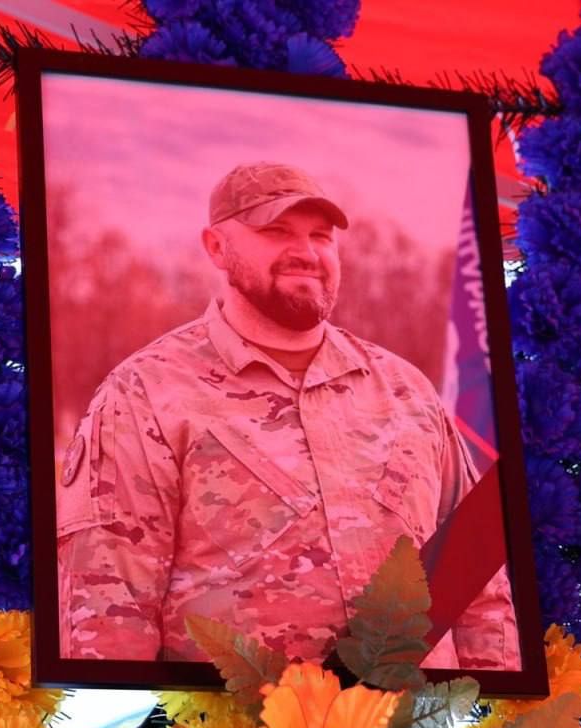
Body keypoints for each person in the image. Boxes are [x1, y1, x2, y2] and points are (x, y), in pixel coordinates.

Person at [56, 161, 518, 667]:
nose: (307, 253)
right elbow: (107, 609)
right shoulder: (146, 393)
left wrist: (497, 707)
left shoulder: (407, 391)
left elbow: (480, 588)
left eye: (321, 236)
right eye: (276, 231)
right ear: (216, 247)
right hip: (234, 717)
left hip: (422, 714)